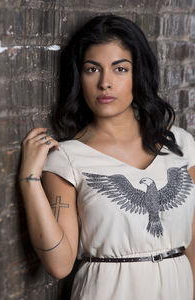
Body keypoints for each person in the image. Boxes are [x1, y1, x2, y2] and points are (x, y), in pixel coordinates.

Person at [19, 14, 195, 300]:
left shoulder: (180, 144)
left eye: (120, 69)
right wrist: (29, 180)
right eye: (92, 69)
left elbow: (193, 241)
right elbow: (59, 264)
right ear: (80, 77)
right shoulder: (67, 158)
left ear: (139, 74)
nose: (105, 83)